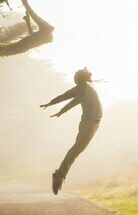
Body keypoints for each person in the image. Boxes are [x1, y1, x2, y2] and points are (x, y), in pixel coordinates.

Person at [40, 67, 102, 195]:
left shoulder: (87, 87)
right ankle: (59, 175)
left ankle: (60, 174)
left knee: (77, 149)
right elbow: (65, 96)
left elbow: (74, 101)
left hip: (93, 123)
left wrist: (61, 112)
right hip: (89, 123)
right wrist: (51, 103)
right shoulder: (82, 86)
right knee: (76, 149)